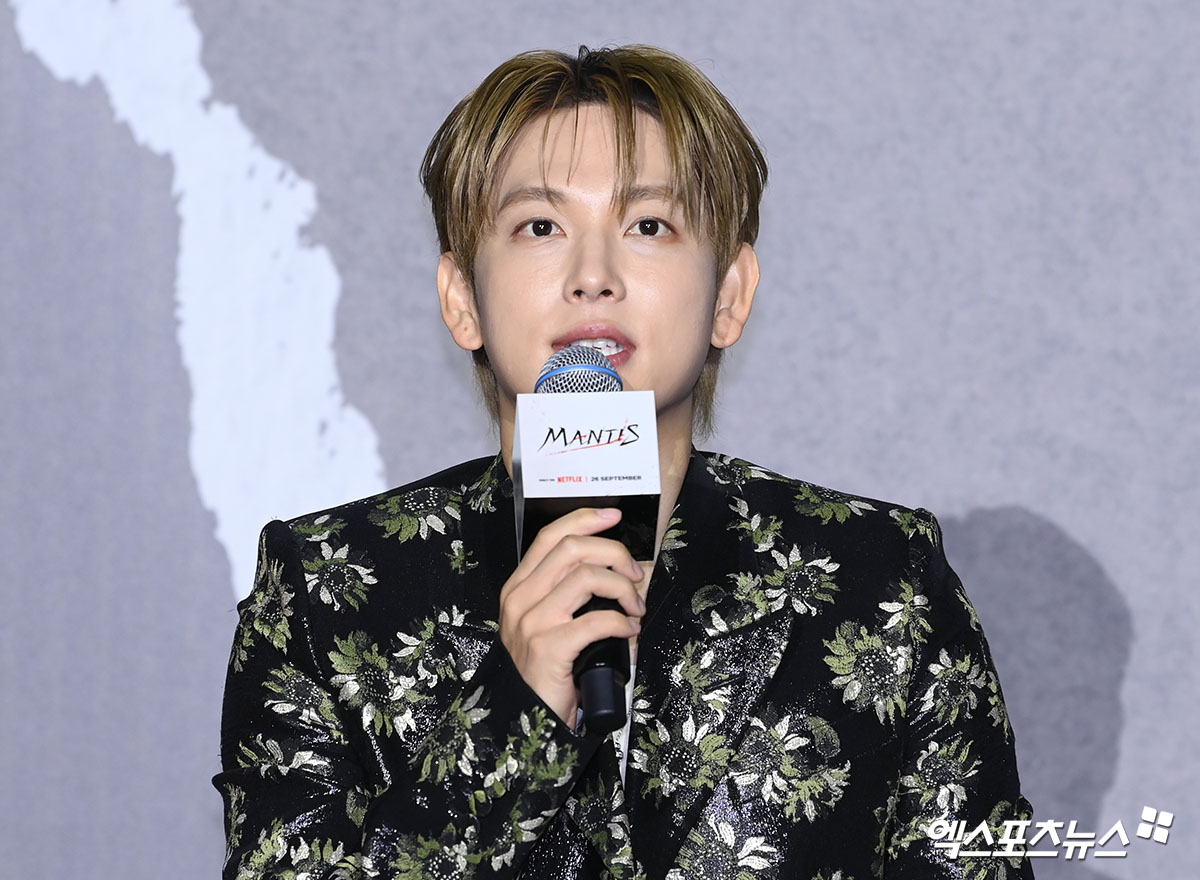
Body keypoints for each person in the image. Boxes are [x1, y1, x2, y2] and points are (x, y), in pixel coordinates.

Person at [214, 45, 1034, 879]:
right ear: (463, 300)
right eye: (540, 227)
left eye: (648, 226)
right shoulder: (324, 593)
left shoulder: (882, 578)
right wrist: (513, 713)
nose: (594, 277)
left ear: (729, 295)